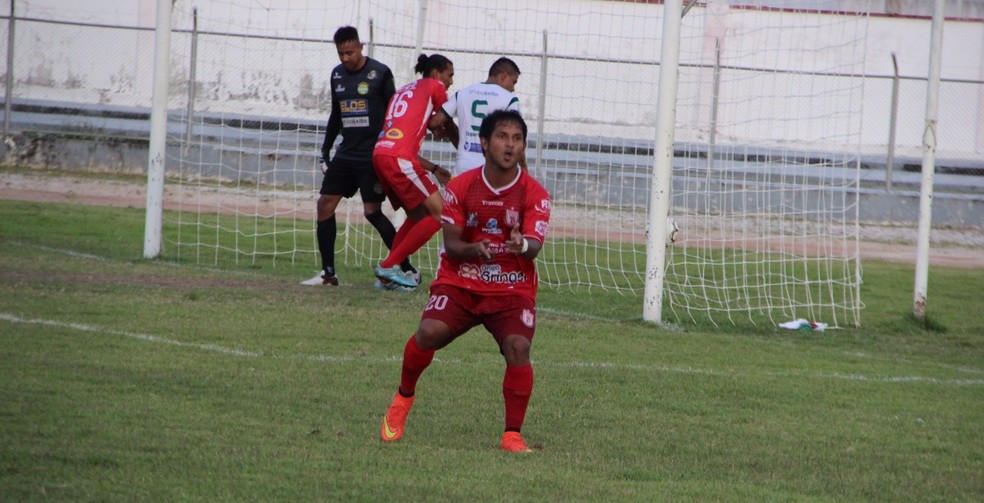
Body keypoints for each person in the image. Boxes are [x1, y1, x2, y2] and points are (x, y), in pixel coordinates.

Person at [379, 110, 552, 453]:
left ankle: (512, 435)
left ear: (523, 147)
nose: (510, 144)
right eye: (503, 137)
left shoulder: (535, 194)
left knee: (519, 347)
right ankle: (402, 399)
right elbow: (452, 246)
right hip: (461, 283)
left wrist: (521, 244)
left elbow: (533, 248)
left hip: (510, 288)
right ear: (485, 143)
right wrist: (474, 248)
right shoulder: (461, 186)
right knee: (427, 333)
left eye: (517, 139)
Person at [301, 26, 418, 287]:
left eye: (350, 52)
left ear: (361, 47)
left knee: (372, 212)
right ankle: (328, 274)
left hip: (372, 154)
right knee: (324, 205)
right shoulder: (337, 75)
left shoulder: (380, 73)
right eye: (341, 53)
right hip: (346, 153)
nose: (345, 58)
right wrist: (325, 150)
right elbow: (336, 114)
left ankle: (407, 269)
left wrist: (394, 147)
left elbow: (394, 113)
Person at [371, 53, 455, 290]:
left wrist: (434, 168)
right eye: (449, 76)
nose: (450, 82)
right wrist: (447, 130)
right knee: (442, 214)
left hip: (381, 155)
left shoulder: (404, 91)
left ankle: (386, 276)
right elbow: (440, 120)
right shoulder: (435, 86)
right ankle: (388, 266)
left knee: (419, 216)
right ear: (437, 74)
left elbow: (408, 136)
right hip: (399, 159)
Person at [433, 57, 526, 176]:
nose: (513, 88)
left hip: (463, 169)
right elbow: (517, 137)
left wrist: (446, 128)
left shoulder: (462, 93)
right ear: (504, 76)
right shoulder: (509, 99)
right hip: (491, 171)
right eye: (514, 82)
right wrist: (524, 169)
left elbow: (435, 121)